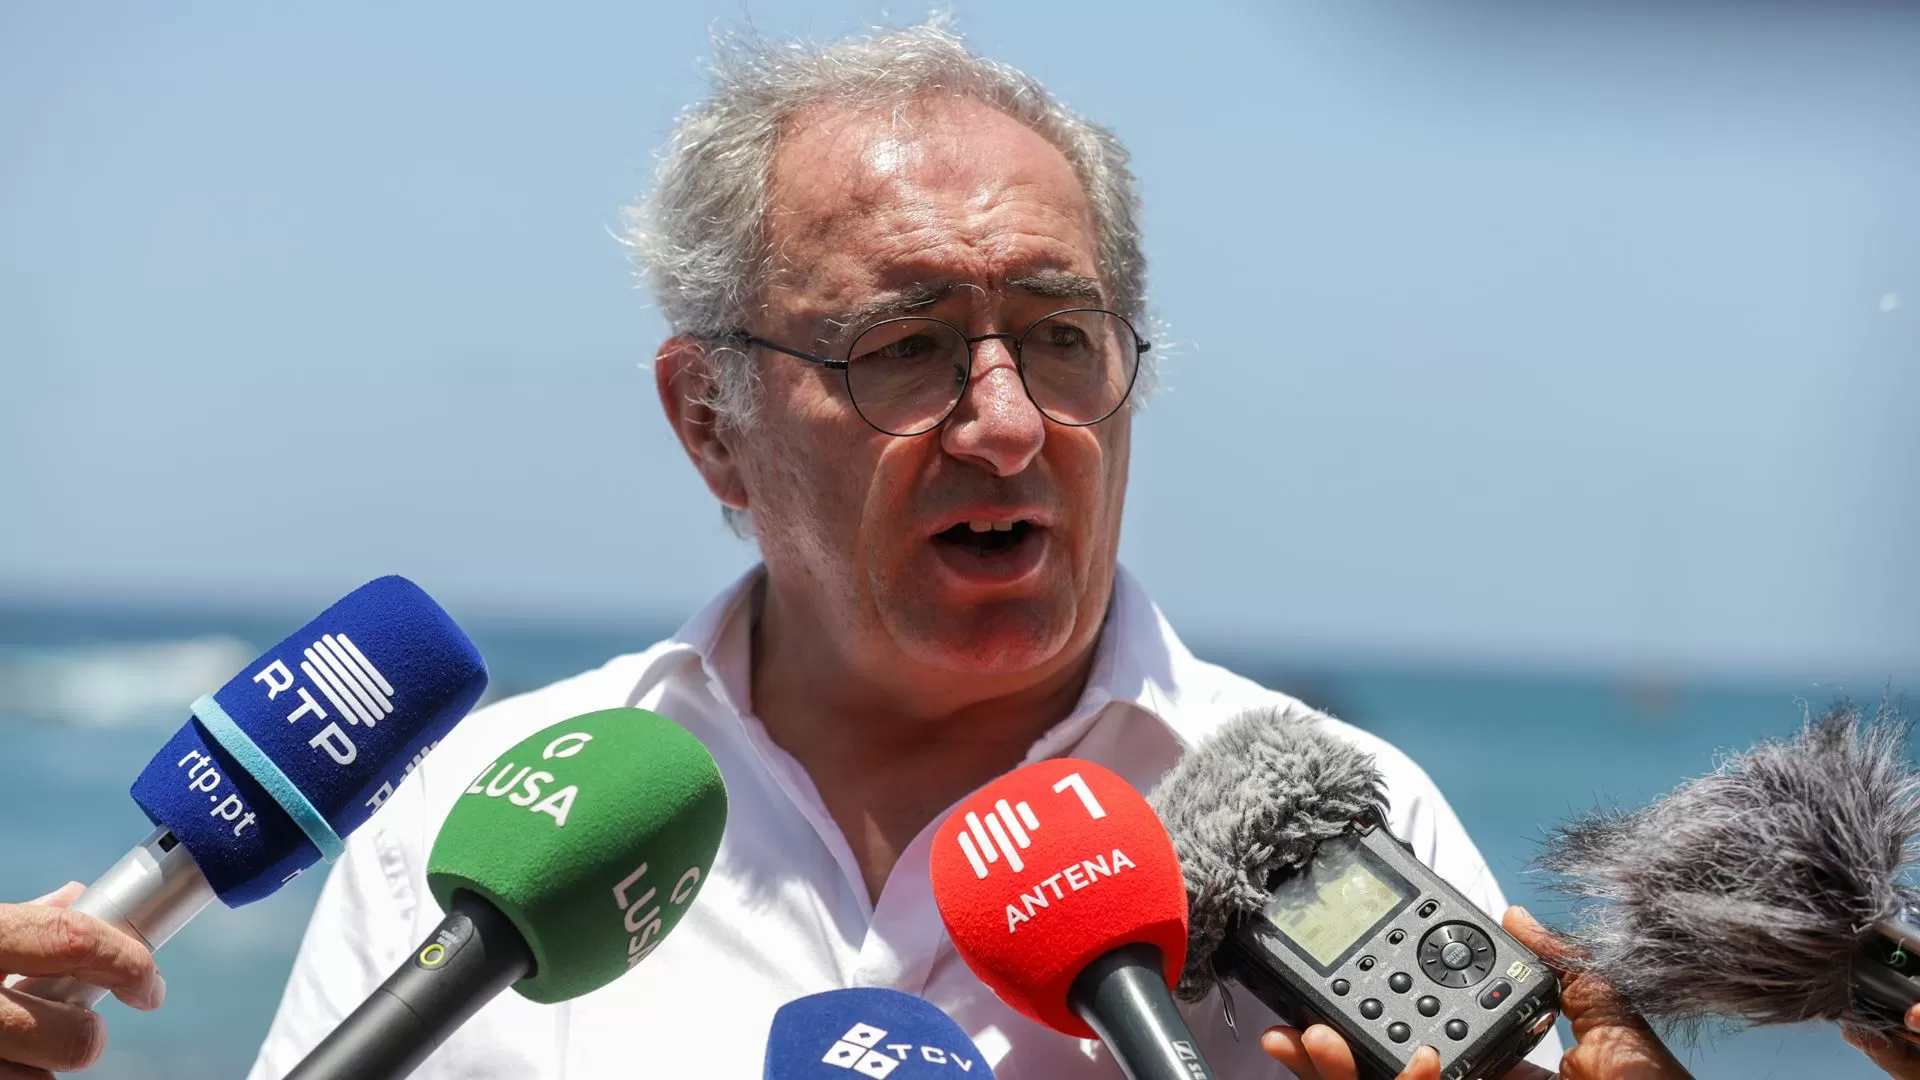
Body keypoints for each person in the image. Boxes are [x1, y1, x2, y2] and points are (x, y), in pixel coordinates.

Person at [0, 20, 1894, 1080]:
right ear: (707, 417)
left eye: (1061, 336)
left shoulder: (1338, 820)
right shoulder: (478, 818)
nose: (1005, 420)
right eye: (903, 347)